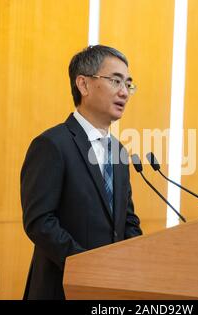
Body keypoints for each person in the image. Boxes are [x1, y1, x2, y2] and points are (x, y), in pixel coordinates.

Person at [20, 45, 143, 300]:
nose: (124, 92)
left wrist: (137, 263)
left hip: (111, 292)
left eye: (128, 84)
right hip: (62, 289)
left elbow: (127, 221)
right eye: (115, 81)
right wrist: (87, 266)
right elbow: (40, 222)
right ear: (84, 85)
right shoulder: (52, 144)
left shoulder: (119, 151)